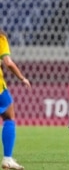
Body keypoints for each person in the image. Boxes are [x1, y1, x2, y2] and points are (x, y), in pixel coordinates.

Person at [0, 29, 31, 170]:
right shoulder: (1, 38)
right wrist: (22, 78)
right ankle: (7, 159)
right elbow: (9, 63)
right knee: (9, 117)